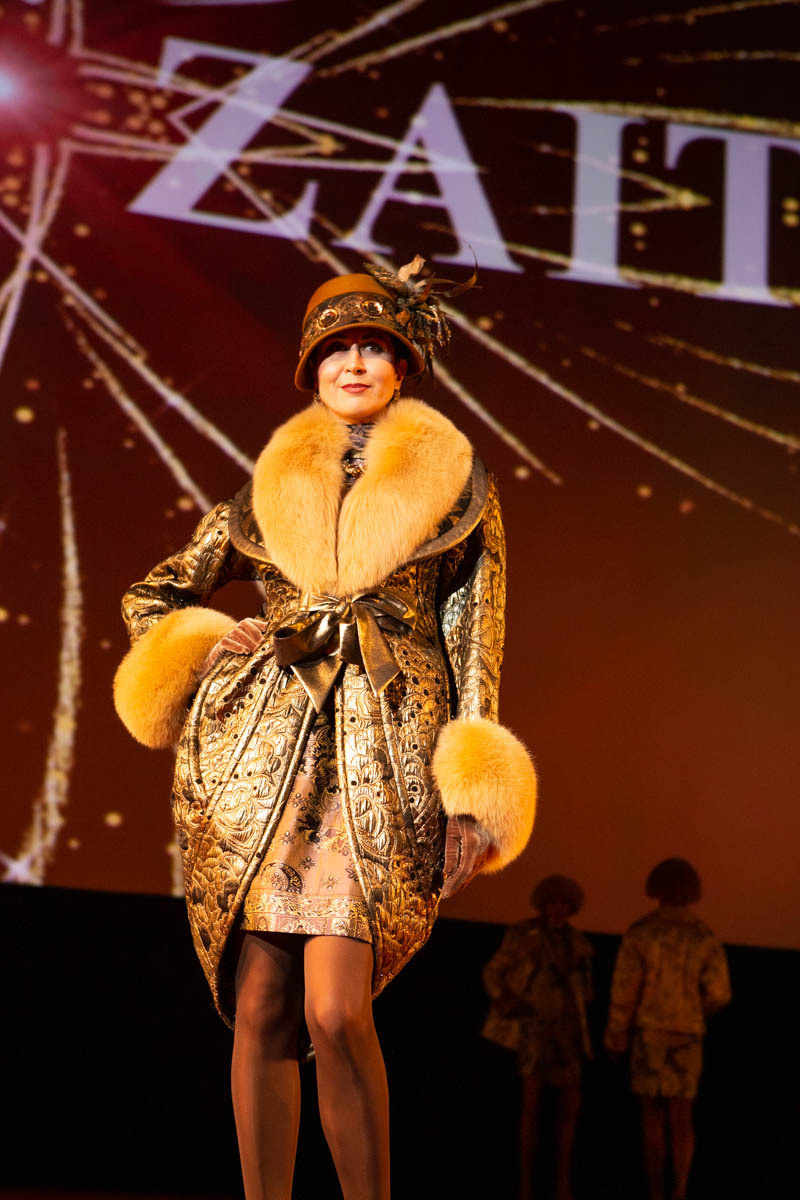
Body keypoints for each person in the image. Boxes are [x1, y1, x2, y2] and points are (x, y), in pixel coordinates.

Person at [113, 258, 537, 1200]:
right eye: (338, 347)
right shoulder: (263, 493)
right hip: (264, 761)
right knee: (262, 1004)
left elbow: (478, 644)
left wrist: (476, 794)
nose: (355, 363)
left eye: (375, 347)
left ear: (403, 367)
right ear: (310, 367)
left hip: (385, 758)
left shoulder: (457, 487)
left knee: (337, 1010)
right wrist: (208, 641)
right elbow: (155, 594)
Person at [603, 858, 731, 1200]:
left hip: (649, 1035)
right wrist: (693, 1012)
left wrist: (616, 1038)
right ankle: (681, 1190)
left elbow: (624, 993)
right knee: (682, 1117)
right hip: (687, 1036)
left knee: (652, 1118)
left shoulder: (642, 932)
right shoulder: (703, 935)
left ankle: (656, 1191)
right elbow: (720, 992)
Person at [482, 874, 593, 1200]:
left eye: (564, 903)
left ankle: (562, 1182)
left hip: (567, 1033)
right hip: (534, 1030)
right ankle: (526, 1183)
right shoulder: (524, 935)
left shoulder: (577, 943)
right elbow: (493, 971)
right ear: (543, 905)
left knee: (568, 1110)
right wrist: (507, 1000)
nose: (558, 908)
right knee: (531, 1108)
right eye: (553, 902)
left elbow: (587, 991)